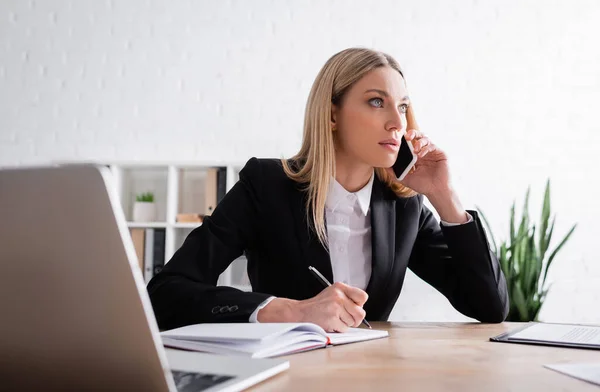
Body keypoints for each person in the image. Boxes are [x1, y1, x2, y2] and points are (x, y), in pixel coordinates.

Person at [148, 47, 509, 333]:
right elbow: (166, 294)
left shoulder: (403, 207)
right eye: (376, 101)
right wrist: (289, 310)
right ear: (332, 114)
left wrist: (444, 196)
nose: (397, 122)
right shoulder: (266, 185)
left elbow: (490, 308)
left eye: (402, 106)